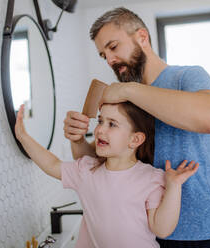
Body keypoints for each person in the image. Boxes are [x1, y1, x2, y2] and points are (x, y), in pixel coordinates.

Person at [63, 7, 210, 248]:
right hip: (148, 233)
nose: (110, 60)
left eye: (113, 47)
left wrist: (128, 90)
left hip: (206, 231)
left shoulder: (186, 77)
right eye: (104, 55)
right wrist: (77, 140)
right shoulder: (123, 101)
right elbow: (97, 162)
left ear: (142, 37)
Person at [15, 102, 199, 248]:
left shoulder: (151, 178)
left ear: (135, 139)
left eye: (112, 124)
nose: (100, 130)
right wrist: (23, 136)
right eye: (100, 121)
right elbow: (52, 164)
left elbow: (162, 228)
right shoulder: (87, 170)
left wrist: (174, 186)